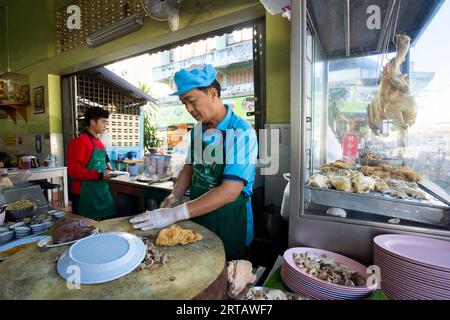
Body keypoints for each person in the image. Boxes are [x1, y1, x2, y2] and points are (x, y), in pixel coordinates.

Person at [130, 64, 258, 260]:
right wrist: (174, 196)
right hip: (198, 216)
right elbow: (190, 168)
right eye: (184, 103)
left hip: (229, 222)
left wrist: (175, 214)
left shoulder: (241, 132)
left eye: (191, 101)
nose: (189, 109)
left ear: (213, 93)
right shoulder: (198, 130)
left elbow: (230, 190)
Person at [67, 107, 115, 220]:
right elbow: (74, 171)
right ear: (92, 122)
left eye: (106, 122)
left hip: (100, 192)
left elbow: (104, 157)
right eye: (103, 122)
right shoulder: (79, 142)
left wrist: (108, 165)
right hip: (84, 195)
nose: (105, 125)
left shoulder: (99, 142)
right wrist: (100, 175)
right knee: (84, 229)